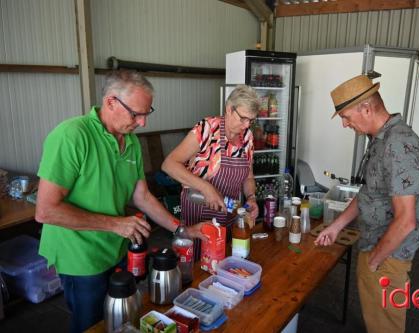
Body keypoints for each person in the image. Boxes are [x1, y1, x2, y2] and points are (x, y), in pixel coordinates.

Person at [35, 70, 206, 333]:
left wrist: (181, 229)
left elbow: (143, 197)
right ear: (111, 102)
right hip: (80, 254)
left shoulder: (131, 142)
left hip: (116, 249)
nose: (143, 123)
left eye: (147, 114)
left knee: (121, 319)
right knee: (91, 324)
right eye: (136, 114)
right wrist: (116, 225)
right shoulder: (71, 136)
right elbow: (46, 211)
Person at [315, 75, 419, 333]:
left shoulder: (398, 146)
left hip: (387, 254)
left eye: (346, 117)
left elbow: (406, 221)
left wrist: (374, 261)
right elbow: (370, 192)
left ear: (366, 109)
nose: (345, 125)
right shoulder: (381, 139)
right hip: (375, 245)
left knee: (385, 326)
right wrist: (337, 226)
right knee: (375, 318)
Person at [162, 85, 259, 259]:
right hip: (198, 217)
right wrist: (206, 188)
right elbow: (169, 164)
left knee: (226, 262)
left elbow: (248, 177)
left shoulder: (247, 138)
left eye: (251, 120)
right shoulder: (207, 129)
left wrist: (251, 197)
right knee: (200, 267)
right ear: (229, 109)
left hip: (229, 214)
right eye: (243, 118)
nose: (246, 125)